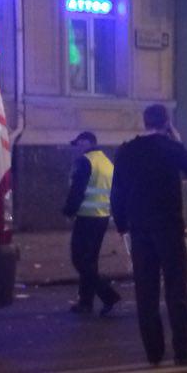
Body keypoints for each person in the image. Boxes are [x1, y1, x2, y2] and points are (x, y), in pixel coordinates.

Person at [110, 103, 187, 366]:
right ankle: (182, 351)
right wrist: (179, 143)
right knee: (176, 289)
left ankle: (153, 352)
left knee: (146, 291)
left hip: (139, 228)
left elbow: (117, 191)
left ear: (145, 122)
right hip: (168, 227)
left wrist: (122, 225)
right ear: (167, 123)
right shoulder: (169, 147)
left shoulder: (127, 150)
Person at [62, 130, 120, 317]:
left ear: (88, 143)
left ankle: (108, 295)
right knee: (90, 262)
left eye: (80, 144)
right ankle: (85, 303)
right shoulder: (106, 162)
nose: (77, 148)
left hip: (86, 217)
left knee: (79, 260)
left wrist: (69, 211)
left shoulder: (86, 162)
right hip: (102, 217)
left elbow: (77, 189)